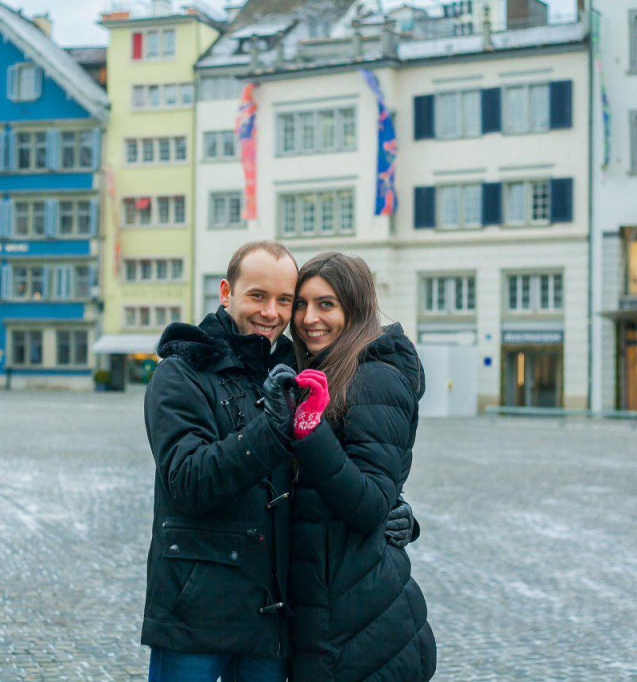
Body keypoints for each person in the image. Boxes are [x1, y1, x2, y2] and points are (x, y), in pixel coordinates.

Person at [142, 241, 417, 682]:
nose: (272, 312)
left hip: (271, 618)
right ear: (226, 293)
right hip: (196, 611)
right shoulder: (182, 371)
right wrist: (272, 430)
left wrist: (395, 510)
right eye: (258, 296)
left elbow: (347, 469)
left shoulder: (295, 369)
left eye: (285, 300)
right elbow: (189, 481)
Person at [286, 252, 437, 681]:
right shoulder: (321, 369)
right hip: (332, 613)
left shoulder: (374, 378)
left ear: (355, 307)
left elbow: (370, 503)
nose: (309, 318)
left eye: (326, 304)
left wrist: (309, 432)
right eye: (301, 304)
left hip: (362, 628)